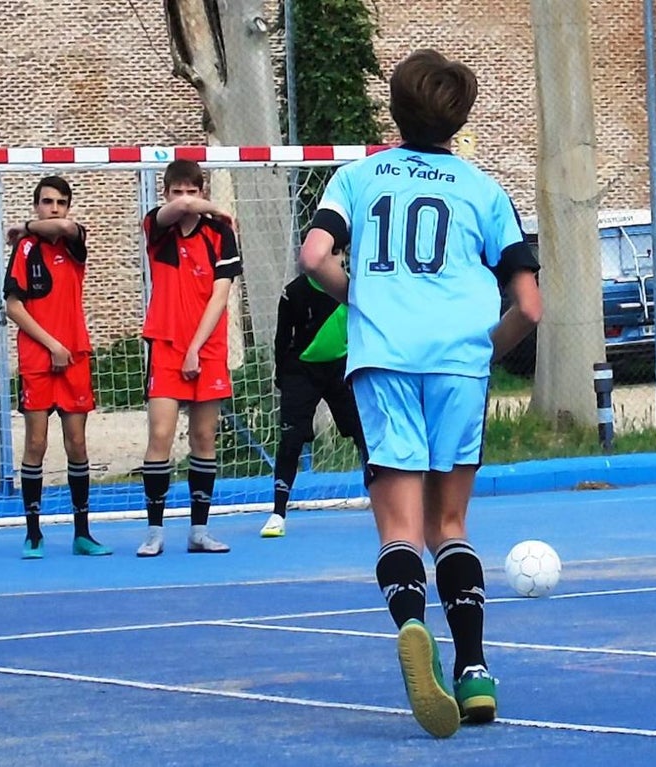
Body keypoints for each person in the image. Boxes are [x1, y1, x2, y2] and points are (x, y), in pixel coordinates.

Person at [299, 49, 543, 738]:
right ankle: (473, 671)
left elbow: (314, 256)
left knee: (400, 528)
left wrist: (364, 300)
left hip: (384, 359)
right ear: (459, 117)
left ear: (395, 111)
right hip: (459, 364)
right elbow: (528, 306)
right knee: (451, 527)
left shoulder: (357, 177)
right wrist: (478, 353)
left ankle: (412, 625)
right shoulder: (485, 190)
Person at [136, 159, 243, 557]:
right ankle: (154, 530)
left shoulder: (220, 234)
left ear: (201, 189)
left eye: (191, 191)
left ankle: (199, 529)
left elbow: (220, 295)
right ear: (166, 195)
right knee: (160, 435)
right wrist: (211, 205)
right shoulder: (157, 227)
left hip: (208, 348)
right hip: (165, 344)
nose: (184, 200)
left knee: (203, 437)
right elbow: (177, 213)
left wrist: (197, 347)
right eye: (177, 192)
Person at [3, 176, 112, 560]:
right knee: (36, 443)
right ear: (36, 205)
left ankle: (82, 533)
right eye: (46, 201)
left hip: (75, 356)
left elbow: (66, 227)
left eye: (60, 202)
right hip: (38, 358)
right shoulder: (25, 248)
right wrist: (51, 344)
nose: (54, 208)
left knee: (77, 444)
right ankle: (33, 533)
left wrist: (23, 226)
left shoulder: (73, 239)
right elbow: (13, 306)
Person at [259, 264, 366, 538]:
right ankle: (278, 513)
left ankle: (381, 495)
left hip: (340, 369)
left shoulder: (352, 287)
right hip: (301, 371)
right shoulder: (293, 292)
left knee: (363, 431)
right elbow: (281, 339)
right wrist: (282, 379)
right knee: (290, 441)